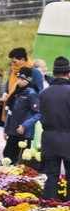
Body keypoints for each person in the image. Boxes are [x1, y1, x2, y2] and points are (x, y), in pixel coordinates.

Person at [40, 57, 70, 201]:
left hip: (49, 138)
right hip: (68, 138)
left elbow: (41, 116)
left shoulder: (44, 93)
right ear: (68, 73)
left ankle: (49, 206)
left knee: (51, 175)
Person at [2, 67, 41, 164]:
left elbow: (38, 113)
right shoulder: (16, 92)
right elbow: (10, 112)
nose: (19, 81)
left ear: (28, 80)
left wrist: (24, 126)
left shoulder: (31, 94)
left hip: (24, 133)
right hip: (12, 131)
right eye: (18, 78)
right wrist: (6, 130)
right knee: (7, 155)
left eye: (22, 79)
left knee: (21, 160)